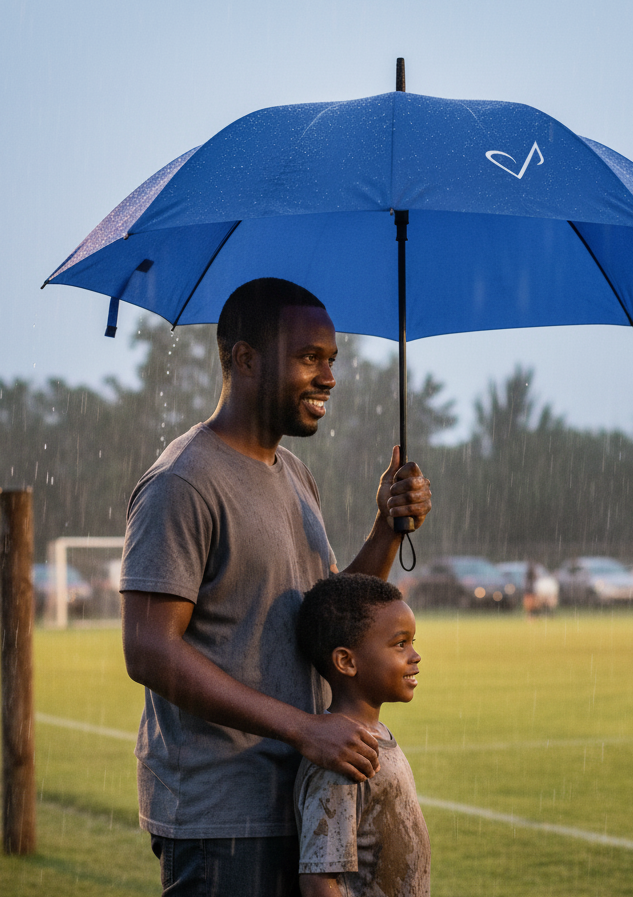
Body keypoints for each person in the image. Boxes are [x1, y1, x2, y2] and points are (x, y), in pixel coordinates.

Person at [119, 278, 433, 897]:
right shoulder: (184, 482)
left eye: (332, 360)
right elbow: (149, 649)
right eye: (309, 358)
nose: (329, 378)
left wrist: (386, 529)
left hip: (300, 795)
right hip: (223, 818)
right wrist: (302, 727)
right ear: (245, 360)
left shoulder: (294, 473)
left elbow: (328, 621)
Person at [294, 573, 429, 897]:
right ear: (346, 661)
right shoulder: (342, 757)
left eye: (413, 642)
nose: (415, 655)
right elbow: (319, 883)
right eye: (400, 644)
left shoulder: (375, 734)